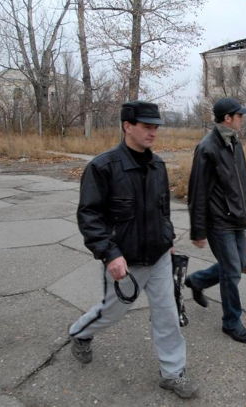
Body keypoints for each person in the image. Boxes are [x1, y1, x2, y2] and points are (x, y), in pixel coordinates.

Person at [68, 100, 198, 399]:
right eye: (147, 126)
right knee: (111, 313)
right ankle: (80, 333)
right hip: (125, 261)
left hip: (159, 257)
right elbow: (89, 216)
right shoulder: (102, 167)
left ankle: (173, 372)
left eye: (155, 127)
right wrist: (109, 253)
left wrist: (168, 242)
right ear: (128, 126)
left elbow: (162, 211)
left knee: (167, 314)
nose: (153, 132)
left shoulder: (157, 165)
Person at [185, 97, 246, 345]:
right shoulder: (207, 147)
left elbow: (243, 180)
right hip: (219, 222)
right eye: (240, 116)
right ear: (227, 118)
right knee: (232, 272)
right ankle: (231, 323)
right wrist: (198, 231)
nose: (243, 119)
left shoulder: (234, 141)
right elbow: (197, 192)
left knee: (236, 266)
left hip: (237, 217)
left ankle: (197, 280)